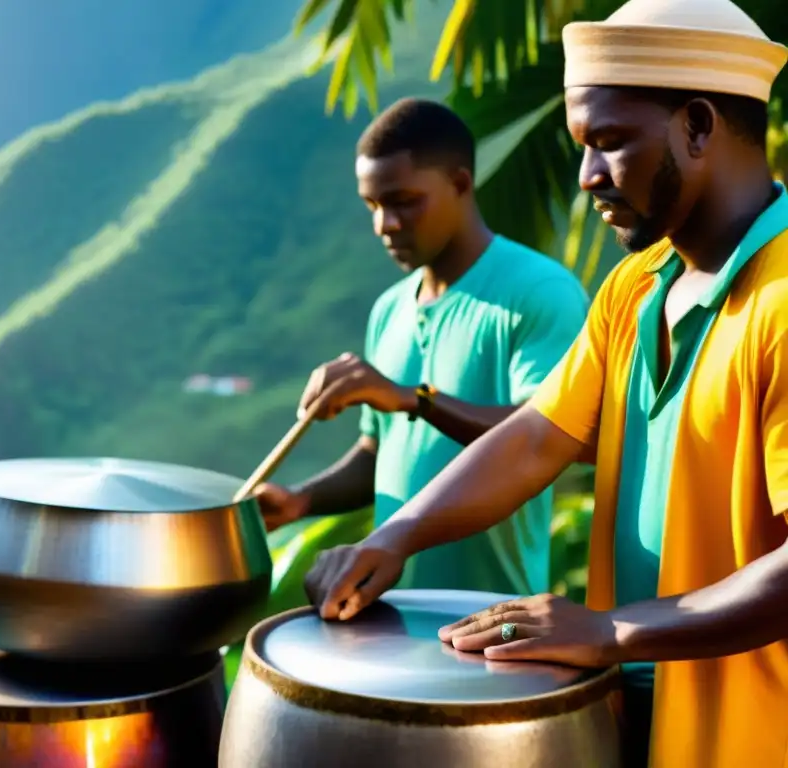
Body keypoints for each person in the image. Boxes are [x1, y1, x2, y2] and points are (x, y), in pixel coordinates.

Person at [300, 1, 788, 767]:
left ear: (698, 125)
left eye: (611, 143)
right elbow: (536, 437)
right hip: (634, 717)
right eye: (580, 146)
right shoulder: (636, 290)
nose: (588, 175)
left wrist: (612, 630)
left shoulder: (782, 303)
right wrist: (395, 536)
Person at [257, 97, 588, 599]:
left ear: (460, 184)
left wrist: (415, 398)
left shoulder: (539, 293)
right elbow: (379, 451)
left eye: (403, 201)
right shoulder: (390, 309)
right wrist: (302, 501)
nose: (384, 224)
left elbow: (544, 436)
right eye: (372, 205)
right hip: (388, 613)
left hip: (491, 619)